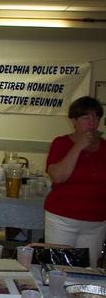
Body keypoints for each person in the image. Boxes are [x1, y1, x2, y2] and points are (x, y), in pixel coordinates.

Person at [45, 96, 106, 267]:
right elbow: (58, 177)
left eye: (96, 117)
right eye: (86, 118)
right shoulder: (61, 143)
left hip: (96, 221)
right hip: (62, 219)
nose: (92, 122)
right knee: (58, 268)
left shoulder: (105, 147)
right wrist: (78, 146)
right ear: (74, 121)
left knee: (89, 269)